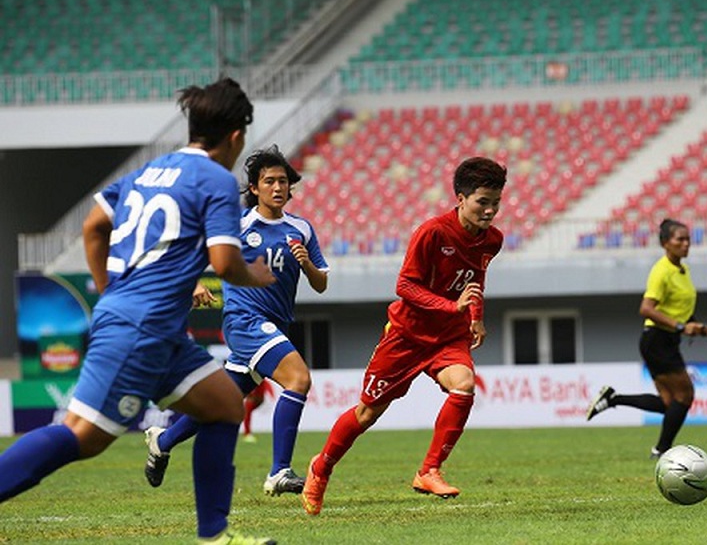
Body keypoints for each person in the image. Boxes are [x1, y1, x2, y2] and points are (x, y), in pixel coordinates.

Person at [0, 78, 279, 544]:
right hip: (142, 326)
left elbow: (93, 226)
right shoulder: (216, 180)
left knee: (225, 404)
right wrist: (255, 274)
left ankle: (215, 535)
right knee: (82, 435)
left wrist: (112, 289)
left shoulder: (149, 171)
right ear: (235, 136)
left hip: (154, 327)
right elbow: (225, 262)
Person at [301, 156, 506, 516]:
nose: (490, 211)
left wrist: (475, 317)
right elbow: (404, 285)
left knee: (464, 384)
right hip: (407, 336)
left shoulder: (492, 240)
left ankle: (429, 471)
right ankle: (321, 468)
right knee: (367, 414)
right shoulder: (433, 232)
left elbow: (476, 280)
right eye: (482, 202)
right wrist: (451, 307)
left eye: (496, 203)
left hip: (449, 337)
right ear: (460, 198)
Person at [144, 145, 329, 497]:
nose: (278, 187)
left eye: (283, 181)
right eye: (269, 181)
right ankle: (279, 471)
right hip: (245, 321)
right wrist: (195, 282)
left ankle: (162, 441)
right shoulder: (238, 224)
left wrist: (306, 264)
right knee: (298, 379)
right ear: (254, 188)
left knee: (222, 404)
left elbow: (321, 283)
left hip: (275, 325)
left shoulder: (301, 229)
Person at [586, 219, 707, 459]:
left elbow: (678, 308)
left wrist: (694, 325)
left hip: (664, 340)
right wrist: (680, 327)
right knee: (685, 396)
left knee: (669, 402)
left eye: (688, 239)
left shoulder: (682, 270)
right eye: (680, 239)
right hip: (657, 340)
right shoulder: (662, 270)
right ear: (665, 243)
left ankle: (613, 398)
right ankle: (661, 449)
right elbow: (646, 308)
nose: (686, 244)